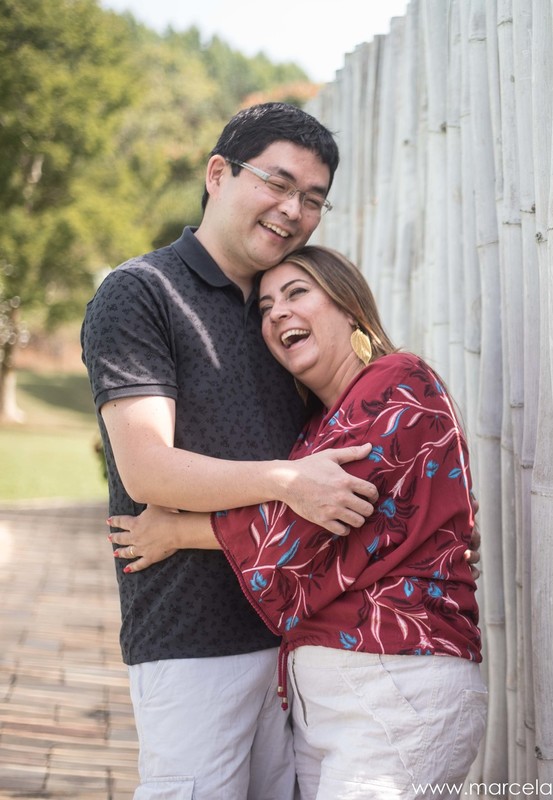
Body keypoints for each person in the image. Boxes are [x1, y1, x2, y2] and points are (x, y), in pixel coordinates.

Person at [83, 102, 386, 798]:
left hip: (305, 640)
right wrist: (286, 481)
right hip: (194, 640)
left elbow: (355, 457)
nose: (292, 209)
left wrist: (428, 525)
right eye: (276, 183)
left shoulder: (288, 312)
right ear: (218, 173)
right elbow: (148, 468)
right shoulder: (141, 293)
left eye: (313, 199)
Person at [109, 246, 486, 799]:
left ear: (350, 307)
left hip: (398, 688)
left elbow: (310, 525)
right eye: (265, 307)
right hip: (342, 704)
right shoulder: (316, 426)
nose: (277, 314)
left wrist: (179, 531)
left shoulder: (398, 382)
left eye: (296, 294)